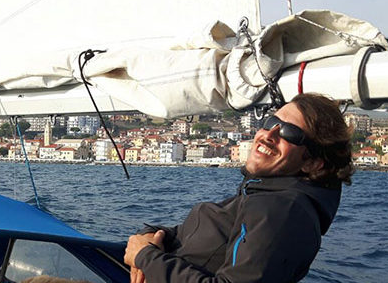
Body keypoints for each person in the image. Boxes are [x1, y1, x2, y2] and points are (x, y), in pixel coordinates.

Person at [123, 93, 354, 283]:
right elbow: (191, 234)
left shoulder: (283, 211)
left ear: (313, 162)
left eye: (289, 133)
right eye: (271, 123)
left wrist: (146, 257)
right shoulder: (261, 192)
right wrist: (148, 237)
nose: (268, 135)